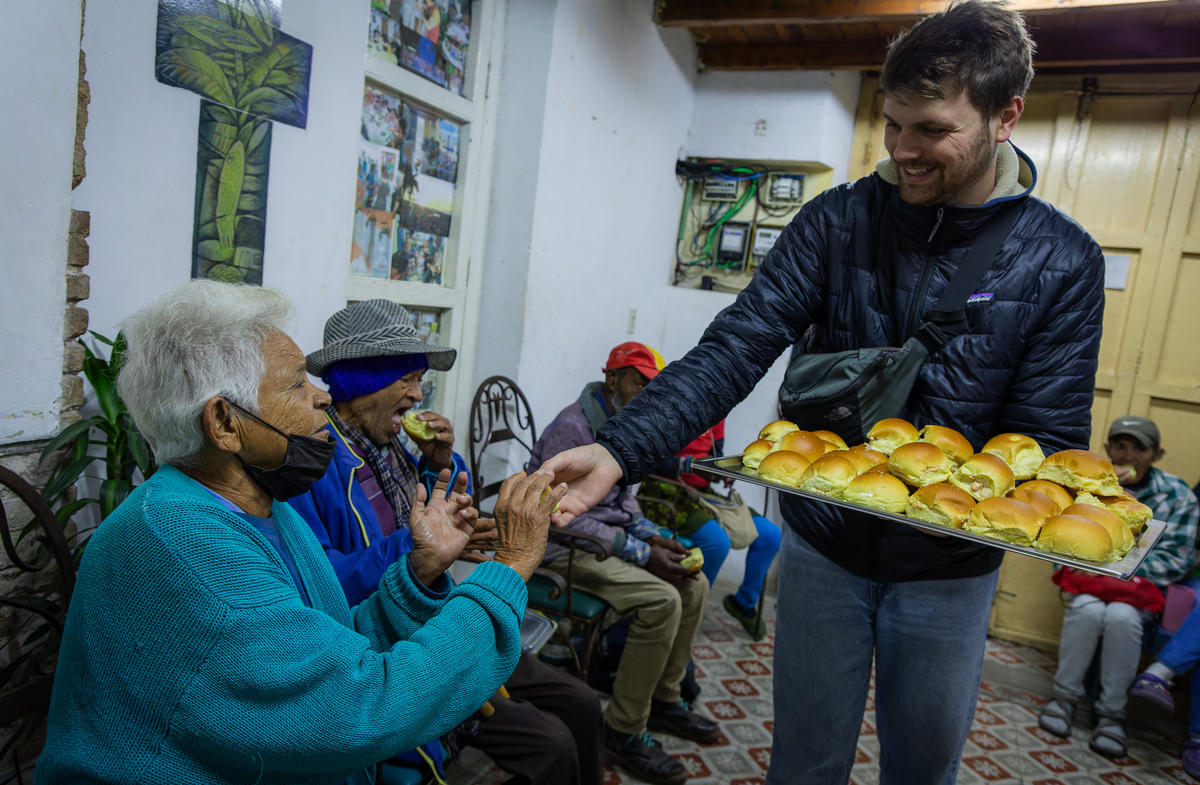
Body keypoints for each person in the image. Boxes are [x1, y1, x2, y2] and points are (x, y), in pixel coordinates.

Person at [538, 3, 1107, 782]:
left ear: (1005, 117)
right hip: (824, 545)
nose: (902, 150)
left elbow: (1043, 438)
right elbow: (736, 347)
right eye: (892, 123)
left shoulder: (1062, 260)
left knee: (922, 768)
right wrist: (619, 448)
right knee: (803, 764)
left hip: (949, 571)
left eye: (932, 130)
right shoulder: (837, 220)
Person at [34, 281, 564, 785]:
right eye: (295, 384)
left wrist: (419, 569)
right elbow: (359, 709)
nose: (322, 397)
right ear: (224, 423)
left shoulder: (266, 504)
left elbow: (332, 648)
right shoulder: (183, 545)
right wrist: (509, 568)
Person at [290, 299, 604, 785]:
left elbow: (422, 510)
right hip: (394, 644)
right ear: (364, 379)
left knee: (581, 702)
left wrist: (439, 464)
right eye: (407, 379)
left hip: (436, 612)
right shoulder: (315, 461)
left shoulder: (387, 444)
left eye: (420, 380)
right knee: (553, 744)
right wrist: (420, 550)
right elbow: (324, 585)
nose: (418, 395)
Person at [528, 342, 717, 785]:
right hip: (562, 548)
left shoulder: (621, 425)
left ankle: (665, 699)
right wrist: (642, 553)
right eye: (639, 382)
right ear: (612, 378)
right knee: (662, 600)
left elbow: (623, 504)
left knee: (696, 585)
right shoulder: (573, 428)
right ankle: (624, 728)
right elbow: (559, 517)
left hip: (600, 542)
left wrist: (652, 536)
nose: (646, 392)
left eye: (653, 385)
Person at [1038, 416, 1199, 757]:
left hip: (1140, 591)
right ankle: (1064, 698)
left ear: (1156, 454)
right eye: (1120, 446)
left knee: (1122, 617)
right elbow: (1059, 539)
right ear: (1108, 449)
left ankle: (1112, 715)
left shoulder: (1177, 495)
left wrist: (1115, 570)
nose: (1128, 455)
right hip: (1089, 589)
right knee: (1088, 609)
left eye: (1140, 448)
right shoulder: (1086, 485)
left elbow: (1178, 559)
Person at [639, 421, 782, 640]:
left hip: (701, 494)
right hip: (662, 490)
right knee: (718, 542)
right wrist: (689, 465)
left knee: (771, 536)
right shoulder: (665, 407)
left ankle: (743, 603)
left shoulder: (716, 414)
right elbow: (645, 459)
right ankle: (688, 612)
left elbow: (716, 456)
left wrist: (721, 471)